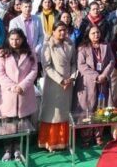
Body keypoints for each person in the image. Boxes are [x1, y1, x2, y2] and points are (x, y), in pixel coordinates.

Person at [0, 29, 37, 162]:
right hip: (7, 94)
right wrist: (13, 87)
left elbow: (34, 71)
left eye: (17, 39)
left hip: (24, 92)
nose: (14, 42)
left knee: (23, 123)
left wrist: (22, 86)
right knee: (7, 124)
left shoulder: (30, 52)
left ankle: (19, 149)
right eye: (12, 39)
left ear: (22, 39)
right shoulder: (2, 53)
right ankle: (7, 150)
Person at [39, 23, 77, 151]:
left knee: (65, 113)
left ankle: (63, 142)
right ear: (53, 31)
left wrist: (72, 77)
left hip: (68, 83)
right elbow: (46, 66)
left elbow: (73, 63)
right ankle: (49, 142)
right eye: (59, 30)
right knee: (52, 113)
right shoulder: (48, 45)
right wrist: (60, 80)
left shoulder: (70, 44)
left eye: (64, 30)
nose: (62, 33)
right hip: (54, 84)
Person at [75, 24, 113, 147]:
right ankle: (86, 136)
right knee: (88, 108)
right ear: (88, 34)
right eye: (93, 33)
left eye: (98, 32)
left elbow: (112, 61)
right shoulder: (82, 48)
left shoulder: (106, 46)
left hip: (103, 82)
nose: (96, 35)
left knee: (101, 108)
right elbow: (81, 65)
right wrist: (96, 76)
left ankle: (98, 135)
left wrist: (104, 75)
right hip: (88, 82)